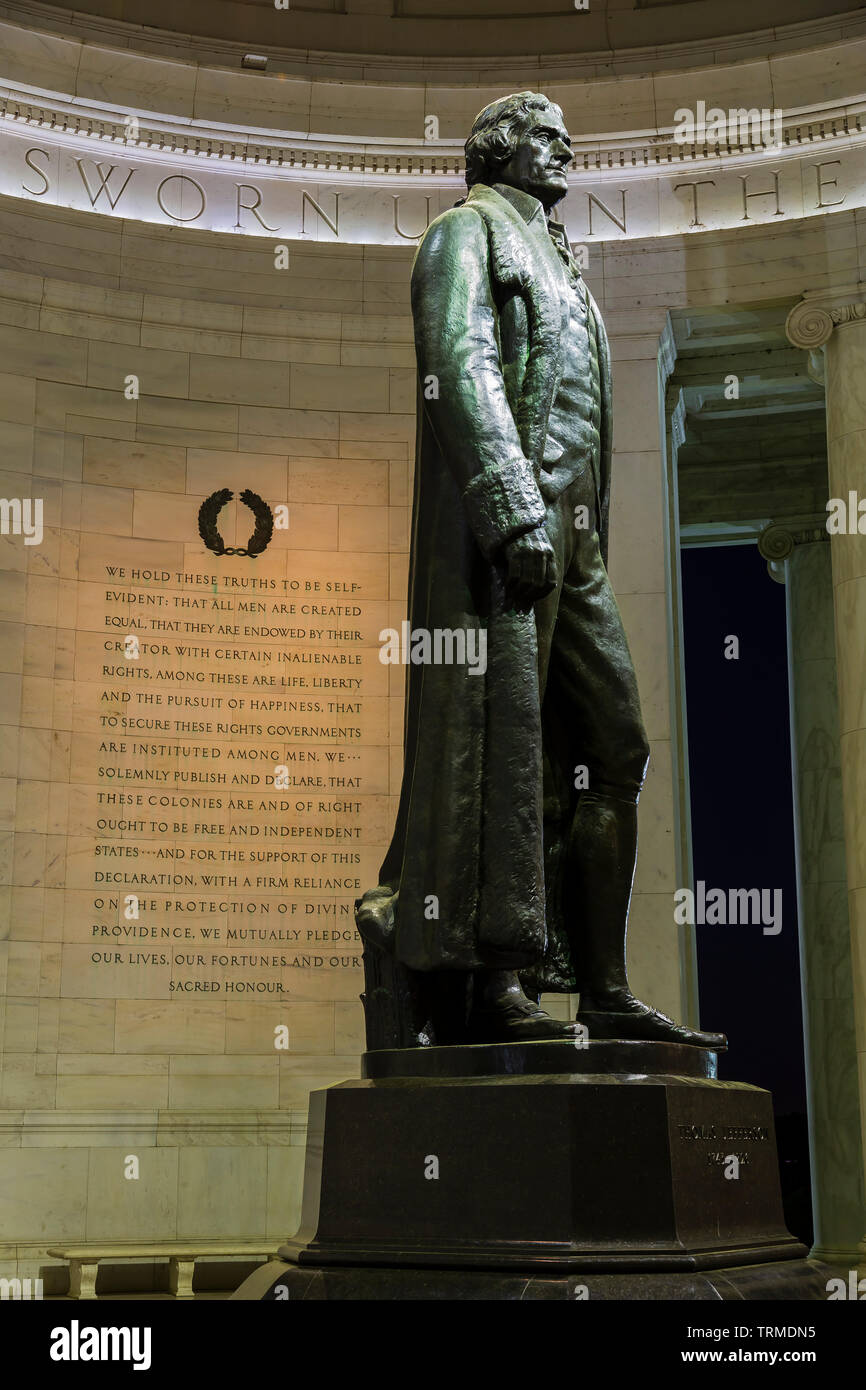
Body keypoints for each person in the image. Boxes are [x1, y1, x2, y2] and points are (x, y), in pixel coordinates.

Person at [357, 91, 724, 1050]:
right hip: (507, 540)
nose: (565, 149)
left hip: (578, 546)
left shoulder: (570, 267)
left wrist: (569, 527)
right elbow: (461, 364)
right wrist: (510, 507)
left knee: (619, 748)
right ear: (497, 150)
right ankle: (494, 982)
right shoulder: (463, 235)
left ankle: (601, 986)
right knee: (505, 757)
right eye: (546, 135)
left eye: (566, 137)